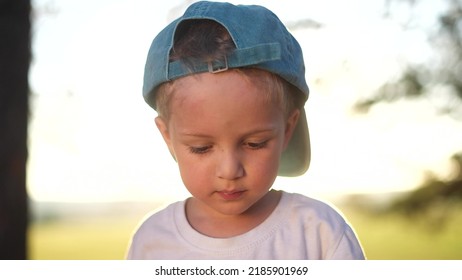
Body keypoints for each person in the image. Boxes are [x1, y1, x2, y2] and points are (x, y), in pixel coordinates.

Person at [126, 1, 365, 260]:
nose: (230, 170)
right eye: (201, 148)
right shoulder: (152, 243)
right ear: (168, 137)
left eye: (255, 143)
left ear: (287, 130)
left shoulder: (320, 232)